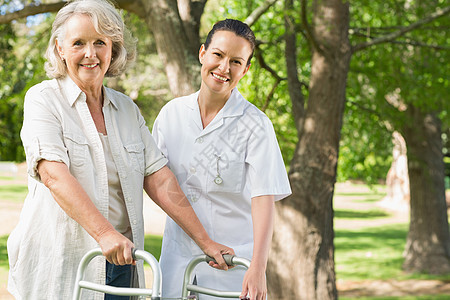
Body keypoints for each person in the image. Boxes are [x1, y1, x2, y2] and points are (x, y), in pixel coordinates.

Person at [7, 1, 233, 299]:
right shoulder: (43, 99)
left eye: (100, 42)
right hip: (65, 263)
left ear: (113, 48)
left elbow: (159, 178)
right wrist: (104, 234)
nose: (91, 53)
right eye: (79, 43)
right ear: (61, 48)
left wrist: (206, 242)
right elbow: (53, 175)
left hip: (122, 262)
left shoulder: (126, 109)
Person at [152, 19, 292, 300]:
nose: (224, 68)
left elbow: (263, 199)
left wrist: (258, 267)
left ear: (246, 69)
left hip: (231, 269)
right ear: (203, 53)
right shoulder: (171, 115)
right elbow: (154, 179)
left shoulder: (256, 125)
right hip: (176, 262)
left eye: (236, 61)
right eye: (218, 55)